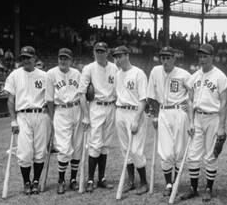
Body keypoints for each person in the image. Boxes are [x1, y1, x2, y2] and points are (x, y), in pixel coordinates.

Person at [181, 44, 227, 202]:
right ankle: (193, 188)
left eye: (205, 56)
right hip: (198, 117)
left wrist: (222, 126)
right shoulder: (194, 76)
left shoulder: (220, 76)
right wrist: (190, 121)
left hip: (213, 117)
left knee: (210, 155)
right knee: (193, 155)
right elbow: (189, 100)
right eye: (200, 56)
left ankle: (209, 188)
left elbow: (224, 103)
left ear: (212, 57)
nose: (202, 59)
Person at [4, 46, 53, 195]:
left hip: (41, 114)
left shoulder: (45, 75)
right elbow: (11, 100)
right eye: (23, 58)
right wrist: (13, 120)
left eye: (28, 57)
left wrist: (52, 117)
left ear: (34, 58)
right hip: (23, 115)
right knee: (25, 152)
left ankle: (36, 181)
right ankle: (26, 182)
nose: (26, 60)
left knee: (40, 151)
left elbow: (50, 98)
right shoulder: (14, 75)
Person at [147, 47, 193, 196]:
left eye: (168, 57)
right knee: (166, 153)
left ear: (174, 58)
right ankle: (168, 183)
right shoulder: (155, 71)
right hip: (163, 112)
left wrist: (190, 102)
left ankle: (176, 182)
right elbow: (151, 96)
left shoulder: (184, 74)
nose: (165, 61)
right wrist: (154, 115)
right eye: (163, 58)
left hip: (179, 112)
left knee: (179, 150)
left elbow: (194, 92)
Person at [78, 42, 119, 193]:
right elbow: (81, 93)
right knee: (95, 143)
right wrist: (86, 116)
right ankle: (90, 179)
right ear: (94, 52)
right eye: (97, 51)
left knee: (105, 144)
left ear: (107, 52)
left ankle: (101, 178)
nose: (99, 54)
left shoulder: (114, 68)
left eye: (102, 51)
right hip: (96, 106)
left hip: (111, 106)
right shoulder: (89, 68)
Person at [112, 46, 149, 195]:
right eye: (116, 57)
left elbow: (143, 99)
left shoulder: (138, 73)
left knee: (136, 150)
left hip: (135, 112)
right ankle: (131, 181)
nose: (118, 59)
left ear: (127, 55)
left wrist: (136, 119)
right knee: (125, 148)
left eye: (120, 56)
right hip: (120, 111)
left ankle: (144, 182)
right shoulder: (117, 74)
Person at [45, 48, 83, 194]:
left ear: (71, 60)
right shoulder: (51, 74)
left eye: (66, 58)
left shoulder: (77, 74)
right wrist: (53, 117)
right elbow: (49, 99)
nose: (63, 61)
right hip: (61, 110)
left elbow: (82, 94)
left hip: (76, 108)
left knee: (77, 145)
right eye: (61, 58)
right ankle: (61, 180)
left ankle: (73, 179)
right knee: (64, 147)